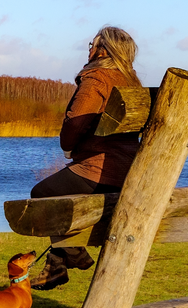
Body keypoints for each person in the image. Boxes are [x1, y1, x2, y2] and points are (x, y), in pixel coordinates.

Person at [28, 26, 142, 290]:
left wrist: (68, 148)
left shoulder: (97, 80)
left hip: (100, 168)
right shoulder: (132, 81)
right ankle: (56, 267)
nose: (88, 48)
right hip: (127, 170)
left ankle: (75, 254)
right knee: (63, 200)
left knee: (42, 193)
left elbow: (75, 123)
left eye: (92, 43)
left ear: (103, 50)